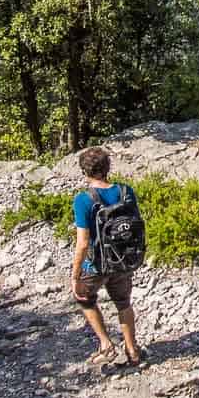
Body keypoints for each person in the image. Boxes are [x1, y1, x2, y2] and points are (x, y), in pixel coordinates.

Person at [71, 146, 144, 368]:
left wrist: (75, 275)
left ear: (85, 171)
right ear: (107, 167)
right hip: (124, 259)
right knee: (123, 303)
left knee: (84, 298)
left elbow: (83, 243)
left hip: (97, 264)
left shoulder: (83, 200)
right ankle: (132, 350)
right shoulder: (125, 191)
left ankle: (105, 344)